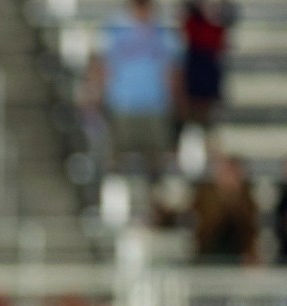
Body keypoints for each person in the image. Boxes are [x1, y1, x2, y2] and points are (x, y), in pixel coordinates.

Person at [99, 0, 182, 180]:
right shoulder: (115, 30)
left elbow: (173, 71)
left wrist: (175, 101)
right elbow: (103, 67)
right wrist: (97, 95)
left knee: (156, 161)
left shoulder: (163, 32)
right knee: (119, 160)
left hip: (156, 105)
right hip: (123, 103)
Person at [190, 154, 258, 264]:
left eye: (234, 173)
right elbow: (205, 230)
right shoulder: (205, 196)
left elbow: (249, 232)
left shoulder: (247, 200)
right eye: (227, 173)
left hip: (238, 259)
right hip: (208, 256)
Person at [180, 0, 237, 129]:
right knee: (195, 106)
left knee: (205, 108)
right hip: (197, 67)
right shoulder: (194, 23)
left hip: (207, 68)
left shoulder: (214, 26)